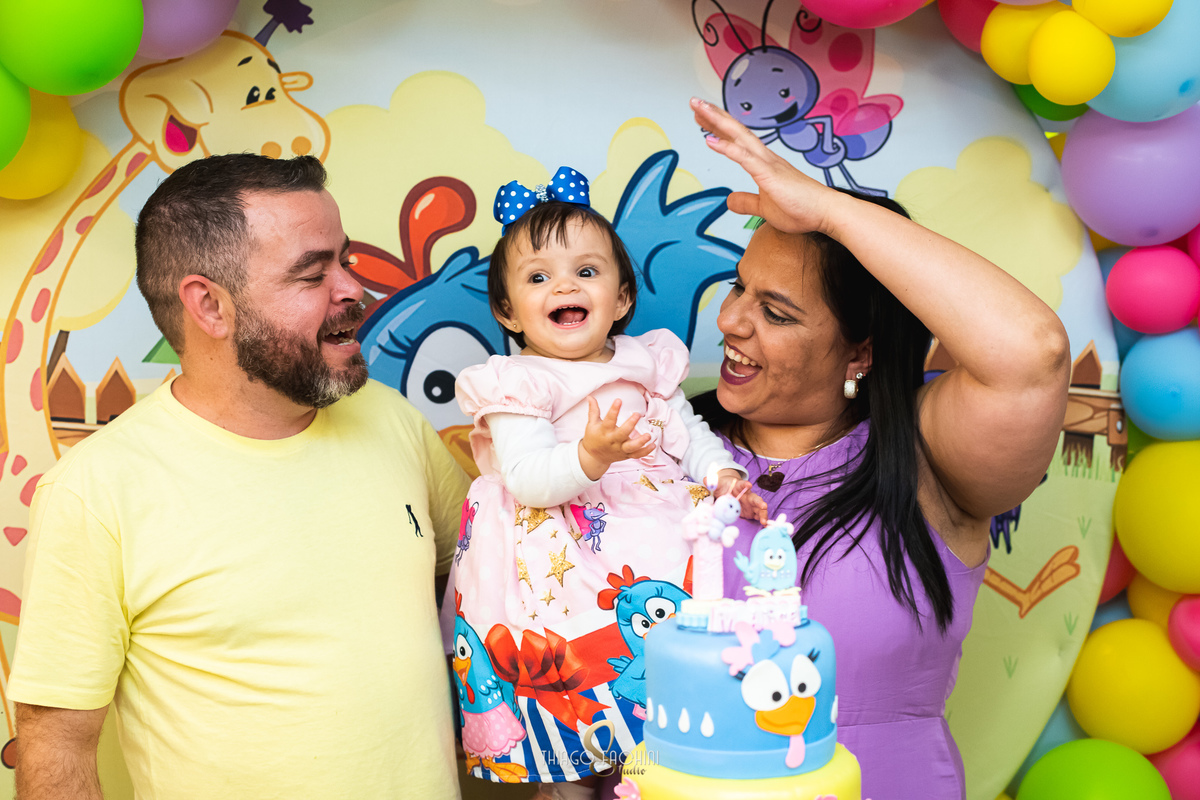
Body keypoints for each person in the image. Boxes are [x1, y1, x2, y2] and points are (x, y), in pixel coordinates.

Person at [8, 154, 470, 799]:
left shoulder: (391, 419)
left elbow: (471, 578)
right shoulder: (98, 490)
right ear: (210, 306)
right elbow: (56, 742)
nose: (353, 290)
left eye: (345, 261)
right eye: (313, 274)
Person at [688, 98, 1071, 800]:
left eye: (775, 312)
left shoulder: (923, 459)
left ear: (859, 352)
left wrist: (830, 211)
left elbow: (1032, 354)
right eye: (740, 286)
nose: (732, 320)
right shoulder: (664, 437)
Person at [449, 170, 765, 799]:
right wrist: (588, 457)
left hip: (651, 539)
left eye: (586, 271)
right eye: (538, 278)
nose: (564, 286)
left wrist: (721, 474)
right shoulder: (519, 384)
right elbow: (529, 479)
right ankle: (564, 782)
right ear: (507, 311)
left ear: (621, 299)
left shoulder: (645, 363)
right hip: (560, 559)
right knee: (574, 716)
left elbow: (688, 431)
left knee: (657, 721)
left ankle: (646, 773)